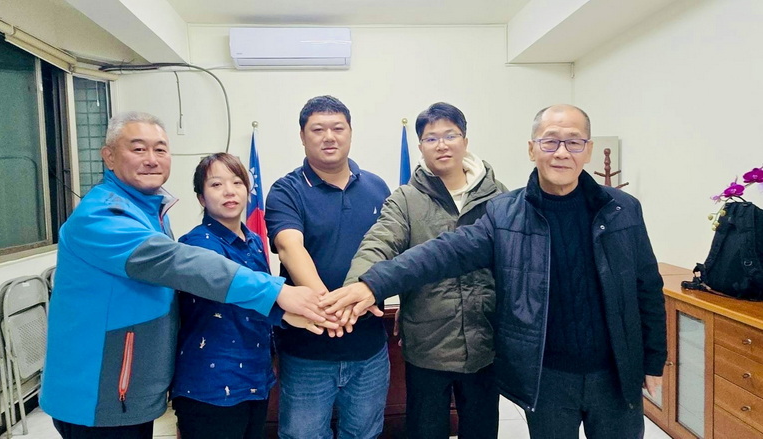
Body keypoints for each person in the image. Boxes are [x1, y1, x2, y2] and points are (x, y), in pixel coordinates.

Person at [323, 104, 667, 439]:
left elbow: (647, 287)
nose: (561, 152)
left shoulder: (622, 209)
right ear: (532, 149)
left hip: (615, 373)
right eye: (550, 141)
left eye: (573, 142)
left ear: (588, 149)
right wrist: (372, 284)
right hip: (546, 375)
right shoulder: (506, 213)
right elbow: (443, 252)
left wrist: (654, 360)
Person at [40, 112, 331, 439]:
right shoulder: (103, 215)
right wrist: (278, 292)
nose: (151, 159)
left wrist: (282, 310)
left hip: (131, 388)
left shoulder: (149, 211)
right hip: (98, 391)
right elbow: (180, 263)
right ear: (109, 156)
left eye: (160, 149)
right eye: (138, 149)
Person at [344, 102, 507, 438]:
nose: (442, 145)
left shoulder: (499, 197)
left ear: (465, 141)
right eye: (431, 138)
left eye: (450, 135)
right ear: (421, 147)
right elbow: (378, 243)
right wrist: (356, 287)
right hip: (428, 344)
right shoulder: (406, 199)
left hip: (485, 341)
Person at [171, 153, 324, 439]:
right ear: (201, 198)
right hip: (212, 385)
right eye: (216, 185)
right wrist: (286, 309)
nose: (229, 191)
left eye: (237, 182)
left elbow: (259, 301)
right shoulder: (196, 245)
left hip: (255, 378)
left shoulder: (253, 240)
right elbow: (232, 296)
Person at [265, 95, 391, 439]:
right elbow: (290, 248)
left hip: (368, 348)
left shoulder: (377, 187)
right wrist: (332, 309)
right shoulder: (286, 190)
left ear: (350, 132)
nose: (329, 137)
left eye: (338, 128)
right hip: (308, 351)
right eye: (318, 129)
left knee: (364, 434)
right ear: (302, 136)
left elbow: (389, 250)